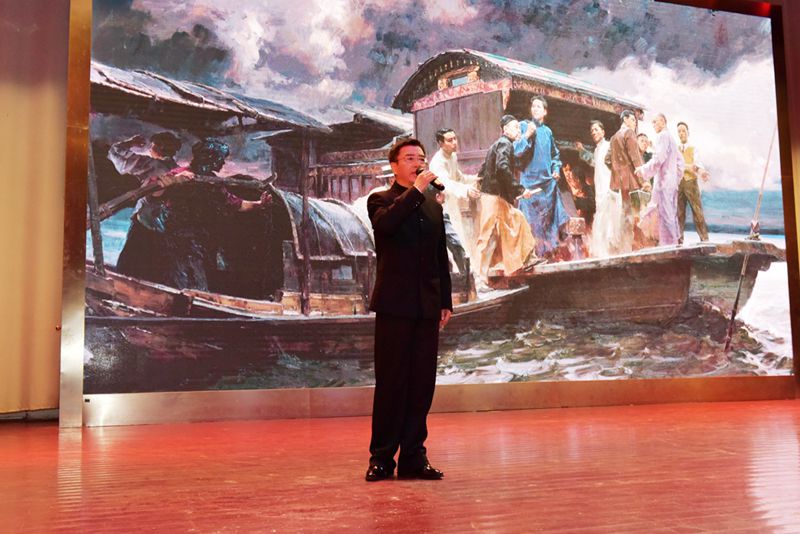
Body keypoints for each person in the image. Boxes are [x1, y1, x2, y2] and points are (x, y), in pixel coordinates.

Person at [365, 138, 452, 482]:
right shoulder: (380, 200)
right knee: (392, 382)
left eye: (421, 158)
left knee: (421, 384)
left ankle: (414, 456)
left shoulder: (433, 206)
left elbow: (440, 256)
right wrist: (415, 190)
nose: (418, 163)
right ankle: (382, 458)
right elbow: (386, 226)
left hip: (427, 305)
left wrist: (445, 301)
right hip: (394, 305)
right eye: (410, 158)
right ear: (394, 165)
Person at [118, 138, 270, 289]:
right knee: (172, 279)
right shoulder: (180, 174)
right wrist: (173, 181)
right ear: (208, 158)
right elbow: (153, 192)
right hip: (171, 238)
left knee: (196, 280)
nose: (223, 162)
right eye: (220, 158)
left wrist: (259, 204)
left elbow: (235, 204)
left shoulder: (213, 183)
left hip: (195, 240)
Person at [474, 115, 537, 291]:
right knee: (487, 236)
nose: (518, 131)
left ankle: (520, 263)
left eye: (519, 127)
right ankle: (478, 279)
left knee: (515, 221)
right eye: (515, 127)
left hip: (495, 196)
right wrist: (520, 190)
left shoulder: (498, 144)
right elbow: (502, 168)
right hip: (494, 196)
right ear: (505, 129)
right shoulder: (505, 144)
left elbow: (484, 169)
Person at [113, 132, 183, 280]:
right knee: (153, 260)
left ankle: (124, 282)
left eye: (152, 145)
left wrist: (130, 143)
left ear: (159, 147)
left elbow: (117, 152)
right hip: (164, 224)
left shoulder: (152, 165)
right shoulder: (177, 169)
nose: (150, 149)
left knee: (132, 259)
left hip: (145, 220)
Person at [514, 95, 568, 259]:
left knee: (548, 223)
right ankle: (532, 258)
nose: (535, 109)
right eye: (533, 106)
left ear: (545, 112)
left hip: (546, 186)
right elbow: (516, 151)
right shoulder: (524, 126)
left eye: (539, 106)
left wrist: (556, 169)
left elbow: (555, 155)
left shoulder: (547, 132)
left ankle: (548, 257)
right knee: (530, 224)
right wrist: (527, 135)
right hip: (529, 185)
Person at [428, 128, 480, 271]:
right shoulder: (437, 163)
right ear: (440, 143)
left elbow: (458, 177)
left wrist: (474, 179)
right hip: (441, 206)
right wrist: (466, 190)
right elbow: (446, 184)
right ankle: (459, 276)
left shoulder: (453, 156)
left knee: (460, 239)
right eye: (450, 140)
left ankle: (465, 275)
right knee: (452, 243)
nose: (454, 143)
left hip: (452, 205)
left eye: (455, 139)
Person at [635, 114, 685, 246]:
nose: (653, 125)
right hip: (671, 183)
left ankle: (668, 245)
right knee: (670, 214)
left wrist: (643, 170)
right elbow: (681, 162)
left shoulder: (662, 136)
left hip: (663, 182)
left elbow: (658, 159)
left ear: (663, 122)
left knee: (665, 214)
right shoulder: (671, 139)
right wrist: (676, 179)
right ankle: (673, 243)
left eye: (655, 122)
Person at [605, 109, 650, 253]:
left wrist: (618, 171)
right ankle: (631, 248)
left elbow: (607, 160)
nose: (635, 123)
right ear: (625, 119)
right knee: (634, 215)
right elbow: (635, 157)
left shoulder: (614, 137)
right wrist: (644, 181)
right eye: (633, 120)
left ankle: (624, 248)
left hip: (620, 183)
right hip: (631, 181)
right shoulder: (629, 133)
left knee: (624, 214)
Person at [577, 120, 622, 257]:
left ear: (603, 132)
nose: (594, 132)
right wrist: (582, 150)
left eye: (596, 129)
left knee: (610, 220)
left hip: (610, 189)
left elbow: (618, 165)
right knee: (602, 218)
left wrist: (615, 187)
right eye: (592, 131)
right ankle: (603, 252)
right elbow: (595, 162)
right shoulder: (597, 150)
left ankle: (612, 251)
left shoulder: (609, 146)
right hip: (601, 190)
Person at [676, 121, 711, 242]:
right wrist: (688, 167)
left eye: (683, 131)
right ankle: (679, 241)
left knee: (697, 211)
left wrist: (702, 172)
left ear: (688, 132)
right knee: (679, 213)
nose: (681, 133)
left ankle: (704, 239)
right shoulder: (676, 149)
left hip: (691, 183)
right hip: (679, 183)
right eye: (679, 131)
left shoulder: (693, 148)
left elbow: (697, 164)